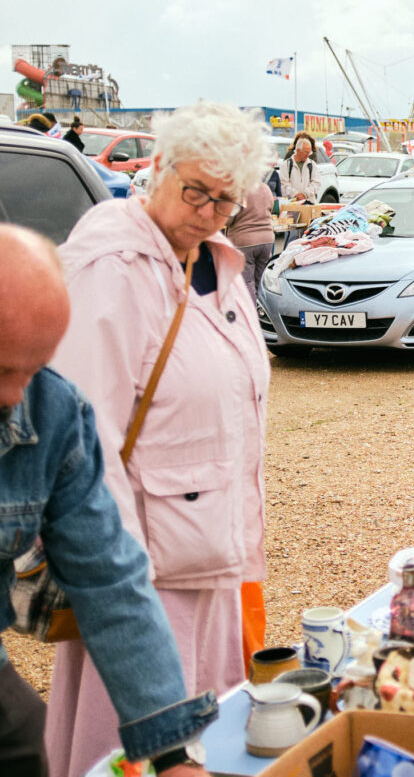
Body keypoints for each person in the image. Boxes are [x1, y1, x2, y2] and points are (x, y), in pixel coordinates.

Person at [45, 101, 274, 777]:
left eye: (223, 199)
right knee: (134, 746)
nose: (206, 209)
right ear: (157, 170)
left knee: (205, 738)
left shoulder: (216, 266)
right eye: (195, 189)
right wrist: (115, 580)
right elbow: (84, 437)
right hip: (142, 573)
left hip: (207, 549)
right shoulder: (112, 270)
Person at [0, 223, 216, 777]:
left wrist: (173, 749)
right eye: (3, 369)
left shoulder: (54, 411)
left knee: (24, 745)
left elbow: (109, 578)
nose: (17, 396)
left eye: (36, 366)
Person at [226, 174, 276, 303]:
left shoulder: (239, 190)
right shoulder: (265, 188)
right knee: (262, 281)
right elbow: (271, 208)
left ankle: (252, 315)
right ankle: (265, 313)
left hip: (244, 241)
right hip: (267, 239)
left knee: (246, 281)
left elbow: (228, 219)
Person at [280, 134, 320, 203]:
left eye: (309, 152)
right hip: (292, 206)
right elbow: (284, 185)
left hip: (309, 204)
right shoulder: (286, 165)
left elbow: (316, 183)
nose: (308, 155)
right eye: (306, 152)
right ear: (298, 150)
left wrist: (305, 194)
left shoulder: (312, 165)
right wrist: (295, 194)